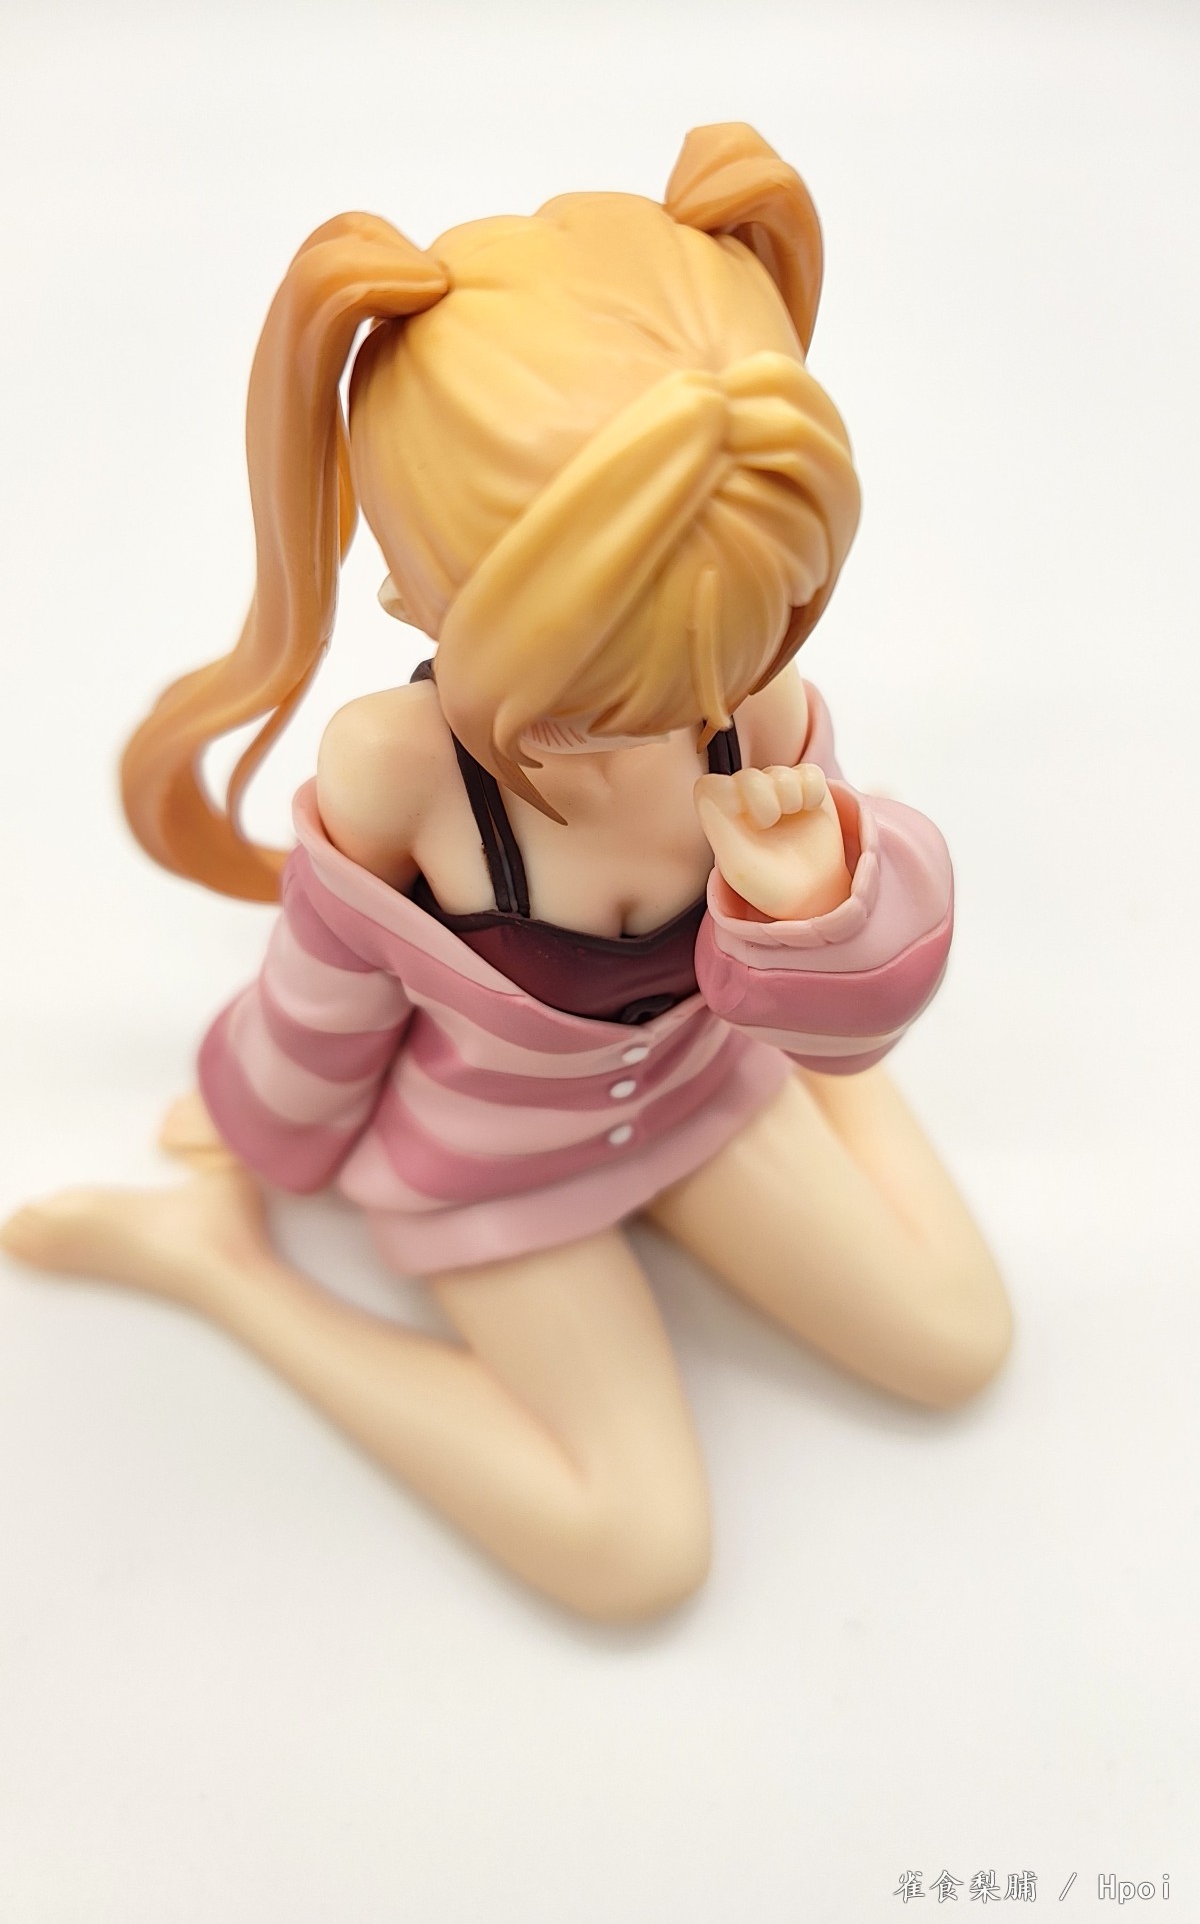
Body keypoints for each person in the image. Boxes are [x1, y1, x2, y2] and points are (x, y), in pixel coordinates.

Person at [1, 124, 1011, 1621]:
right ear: (410, 590)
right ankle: (223, 1271)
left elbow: (870, 995)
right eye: (593, 688)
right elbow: (324, 1000)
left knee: (957, 1341)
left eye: (732, 648)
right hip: (496, 1171)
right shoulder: (399, 769)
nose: (670, 719)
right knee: (638, 1552)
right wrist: (259, 1134)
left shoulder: (757, 712)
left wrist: (814, 919)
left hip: (708, 1092)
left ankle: (795, 1055)